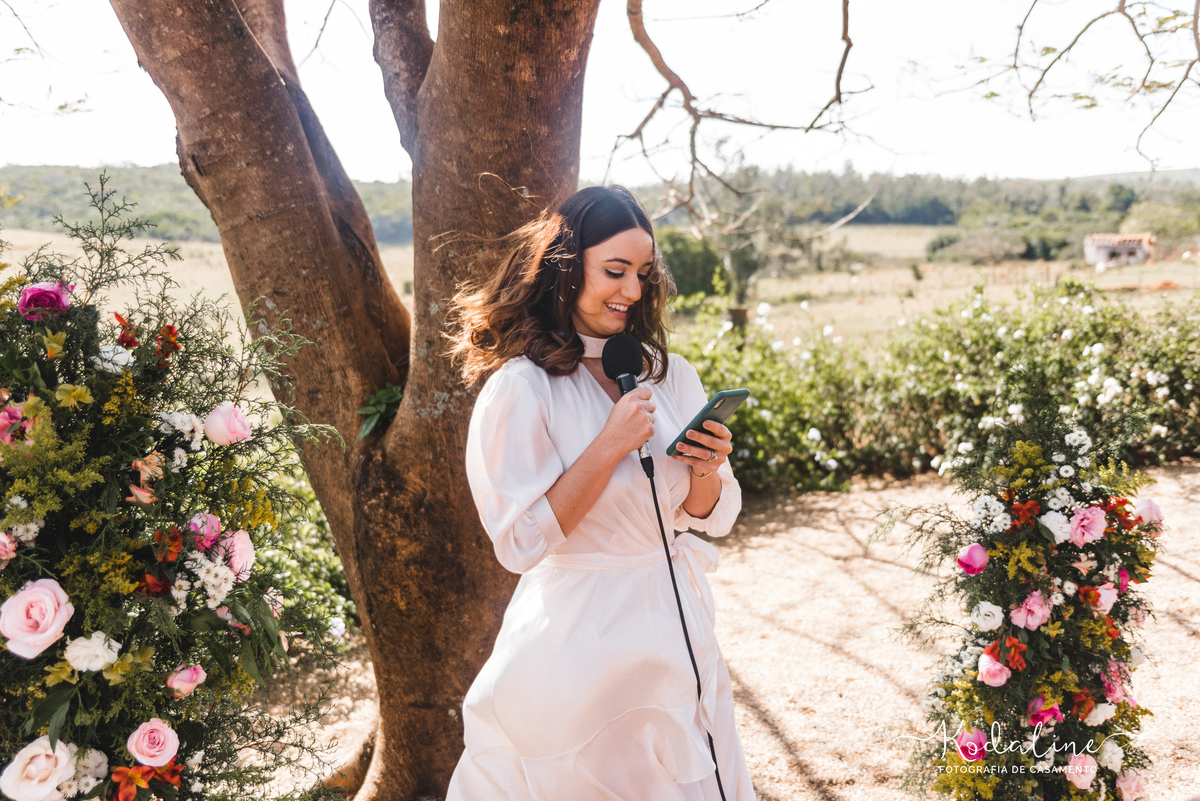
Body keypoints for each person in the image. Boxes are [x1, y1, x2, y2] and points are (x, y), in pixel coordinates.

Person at [444, 185, 754, 800]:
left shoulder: (673, 377)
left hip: (676, 630)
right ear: (566, 268)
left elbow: (707, 517)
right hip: (578, 646)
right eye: (614, 271)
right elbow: (521, 542)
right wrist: (609, 444)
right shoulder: (522, 390)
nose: (632, 292)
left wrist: (704, 471)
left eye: (643, 273)